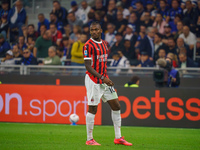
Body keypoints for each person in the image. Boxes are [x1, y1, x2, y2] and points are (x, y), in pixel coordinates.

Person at [83, 21, 132, 146]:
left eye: (96, 29)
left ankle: (118, 137)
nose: (94, 32)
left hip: (104, 80)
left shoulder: (105, 44)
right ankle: (89, 139)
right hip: (93, 80)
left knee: (116, 106)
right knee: (93, 108)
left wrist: (104, 78)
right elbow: (88, 67)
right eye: (92, 30)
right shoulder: (88, 46)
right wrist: (102, 77)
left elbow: (102, 63)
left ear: (101, 31)